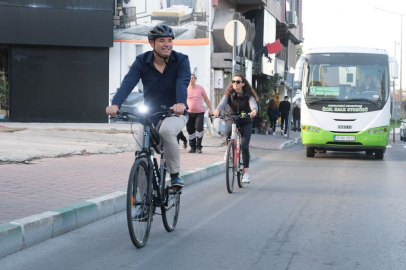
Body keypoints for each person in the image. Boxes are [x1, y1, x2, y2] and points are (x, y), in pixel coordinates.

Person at [106, 24, 190, 188]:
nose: (167, 44)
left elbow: (182, 82)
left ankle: (174, 175)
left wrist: (180, 103)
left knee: (166, 131)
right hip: (150, 115)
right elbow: (128, 83)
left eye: (170, 40)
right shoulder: (142, 61)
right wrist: (115, 104)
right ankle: (144, 205)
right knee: (141, 153)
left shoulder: (181, 60)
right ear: (152, 43)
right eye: (162, 41)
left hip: (175, 113)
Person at [213, 73, 258, 183]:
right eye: (233, 81)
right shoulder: (229, 94)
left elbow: (253, 105)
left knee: (245, 146)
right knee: (228, 130)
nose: (235, 84)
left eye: (238, 82)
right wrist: (218, 110)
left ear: (242, 84)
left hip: (245, 120)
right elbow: (222, 103)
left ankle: (246, 174)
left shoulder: (248, 95)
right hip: (232, 118)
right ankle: (229, 149)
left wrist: (253, 111)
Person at [186, 73, 212, 153]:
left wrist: (210, 109)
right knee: (190, 130)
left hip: (199, 112)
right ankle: (192, 147)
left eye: (193, 78)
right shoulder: (185, 88)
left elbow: (206, 99)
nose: (191, 80)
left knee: (199, 128)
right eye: (190, 78)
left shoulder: (200, 88)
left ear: (195, 79)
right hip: (189, 112)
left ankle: (199, 146)